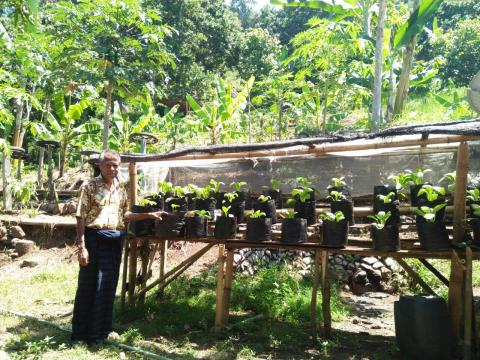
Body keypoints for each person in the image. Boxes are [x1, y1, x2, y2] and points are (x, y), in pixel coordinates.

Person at [71, 150, 166, 345]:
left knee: (107, 287)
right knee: (89, 287)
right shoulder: (90, 186)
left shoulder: (120, 188)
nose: (113, 169)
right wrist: (82, 247)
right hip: (94, 239)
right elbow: (80, 216)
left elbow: (126, 215)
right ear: (99, 165)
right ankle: (80, 334)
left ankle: (100, 332)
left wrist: (149, 215)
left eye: (116, 165)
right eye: (108, 165)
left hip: (114, 242)